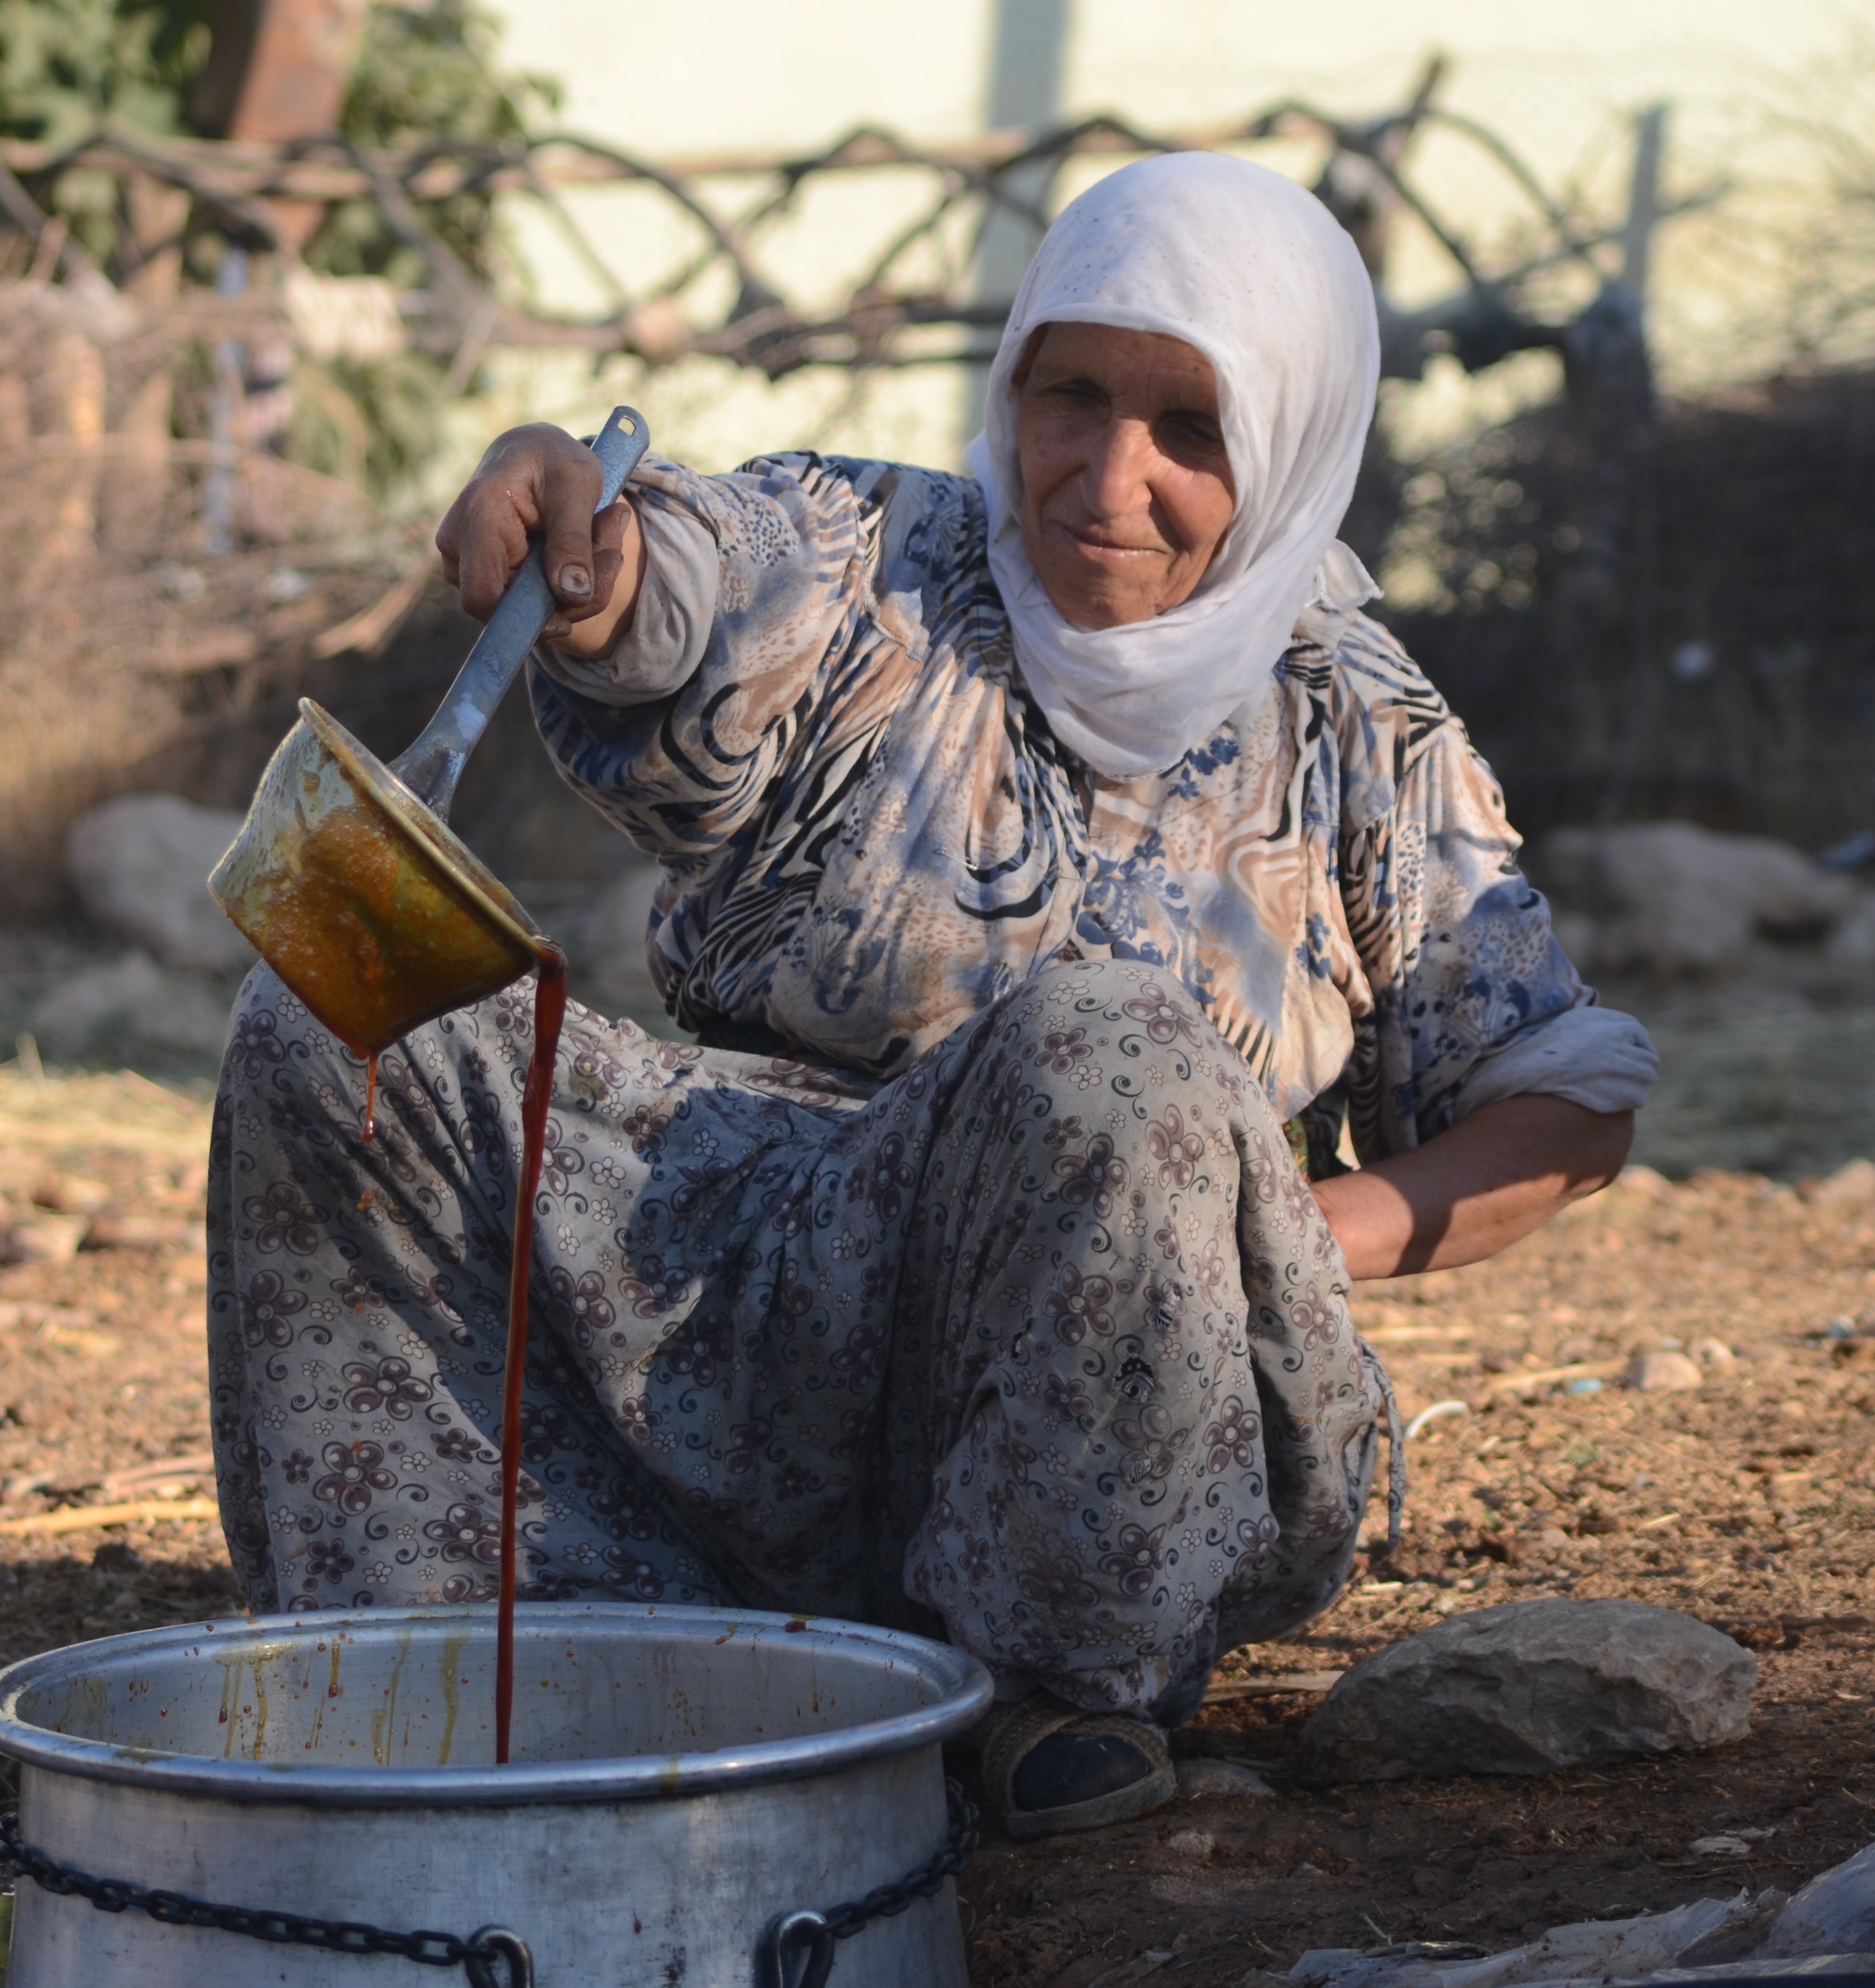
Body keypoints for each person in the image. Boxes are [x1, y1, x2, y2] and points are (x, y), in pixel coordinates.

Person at [208, 152, 1654, 1839]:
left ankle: (1042, 1687)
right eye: (1073, 397)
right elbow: (686, 585)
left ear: (1291, 442)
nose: (1111, 476)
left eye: (1192, 429)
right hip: (735, 1292)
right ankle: (471, 1638)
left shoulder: (1360, 730)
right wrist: (585, 551)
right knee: (338, 1005)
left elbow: (1567, 1097)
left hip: (1093, 1415)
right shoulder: (881, 559)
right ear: (1014, 387)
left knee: (1110, 1042)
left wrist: (1260, 1233)